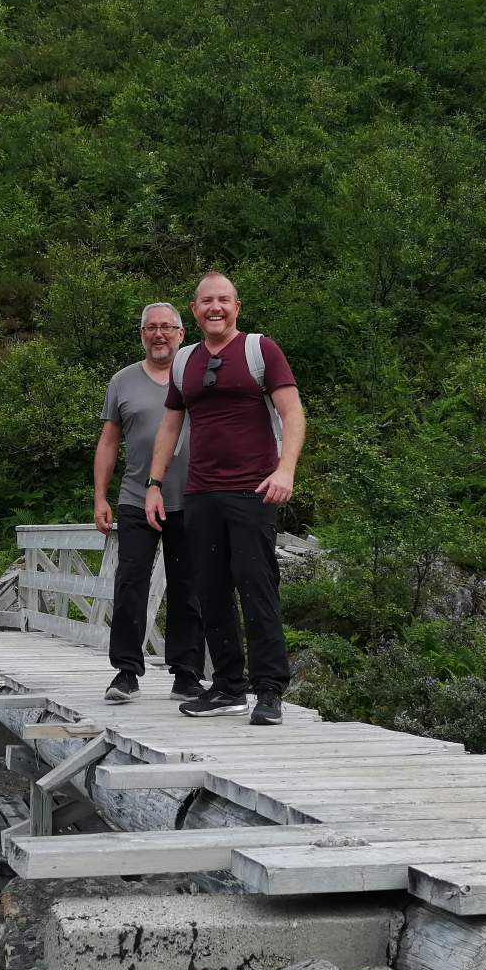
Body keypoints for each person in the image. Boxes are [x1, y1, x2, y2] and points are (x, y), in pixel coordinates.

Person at [144, 272, 304, 725]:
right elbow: (170, 425)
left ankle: (269, 691)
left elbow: (292, 411)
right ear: (194, 310)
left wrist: (285, 469)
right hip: (200, 492)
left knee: (257, 587)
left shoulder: (260, 350)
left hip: (253, 489)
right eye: (206, 301)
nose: (215, 308)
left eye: (223, 300)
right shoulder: (185, 361)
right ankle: (229, 688)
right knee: (210, 592)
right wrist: (154, 485)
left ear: (236, 307)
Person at [93, 303, 207, 703]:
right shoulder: (122, 381)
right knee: (130, 583)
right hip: (137, 497)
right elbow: (108, 442)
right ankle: (126, 672)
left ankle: (187, 674)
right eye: (151, 327)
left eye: (167, 327)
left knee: (188, 586)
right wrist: (100, 497)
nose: (159, 334)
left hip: (192, 498)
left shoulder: (198, 374)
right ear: (142, 334)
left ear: (181, 333)